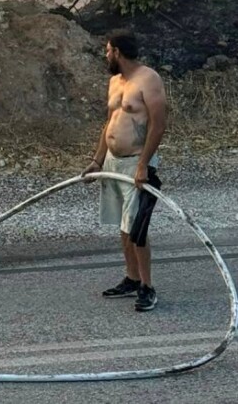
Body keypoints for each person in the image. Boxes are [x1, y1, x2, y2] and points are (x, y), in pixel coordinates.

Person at [83, 30, 166, 312]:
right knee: (123, 225)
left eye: (107, 51)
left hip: (136, 165)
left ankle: (147, 286)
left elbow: (158, 124)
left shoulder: (148, 79)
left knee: (137, 228)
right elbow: (109, 123)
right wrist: (97, 160)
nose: (106, 56)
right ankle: (131, 278)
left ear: (117, 51)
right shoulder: (114, 82)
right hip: (113, 164)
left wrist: (144, 164)